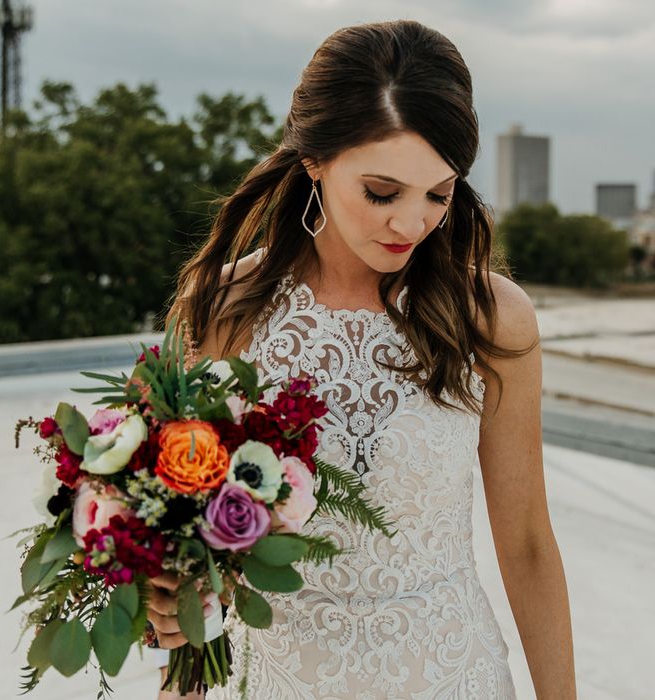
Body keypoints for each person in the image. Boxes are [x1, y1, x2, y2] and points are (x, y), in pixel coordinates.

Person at [147, 18, 576, 699]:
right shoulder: (222, 310)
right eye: (381, 192)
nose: (411, 224)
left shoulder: (491, 320)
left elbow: (524, 542)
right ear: (314, 159)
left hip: (452, 677)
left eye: (439, 194)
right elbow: (183, 548)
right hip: (279, 682)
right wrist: (165, 605)